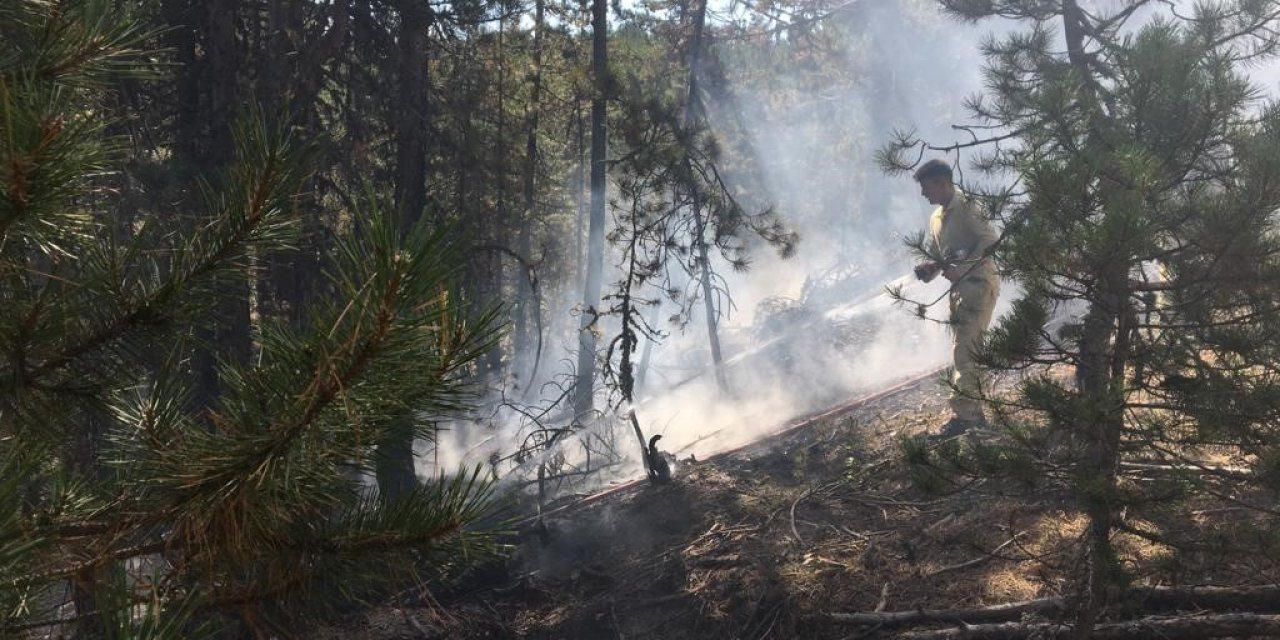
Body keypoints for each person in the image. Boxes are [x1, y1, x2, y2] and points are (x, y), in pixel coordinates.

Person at [912, 159, 1000, 437]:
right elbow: (946, 257)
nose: (924, 194)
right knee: (963, 350)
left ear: (942, 183)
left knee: (966, 351)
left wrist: (962, 269)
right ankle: (971, 414)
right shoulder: (936, 218)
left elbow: (990, 240)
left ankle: (969, 419)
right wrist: (932, 268)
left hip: (978, 286)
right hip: (960, 292)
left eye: (926, 187)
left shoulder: (967, 206)